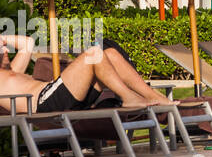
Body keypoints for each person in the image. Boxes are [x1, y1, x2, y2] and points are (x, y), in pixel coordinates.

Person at [0, 34, 171, 114]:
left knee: (110, 53)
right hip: (44, 103)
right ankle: (129, 97)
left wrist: (2, 38)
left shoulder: (13, 69)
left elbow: (28, 42)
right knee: (93, 54)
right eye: (2, 49)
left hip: (57, 95)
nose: (7, 49)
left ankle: (150, 95)